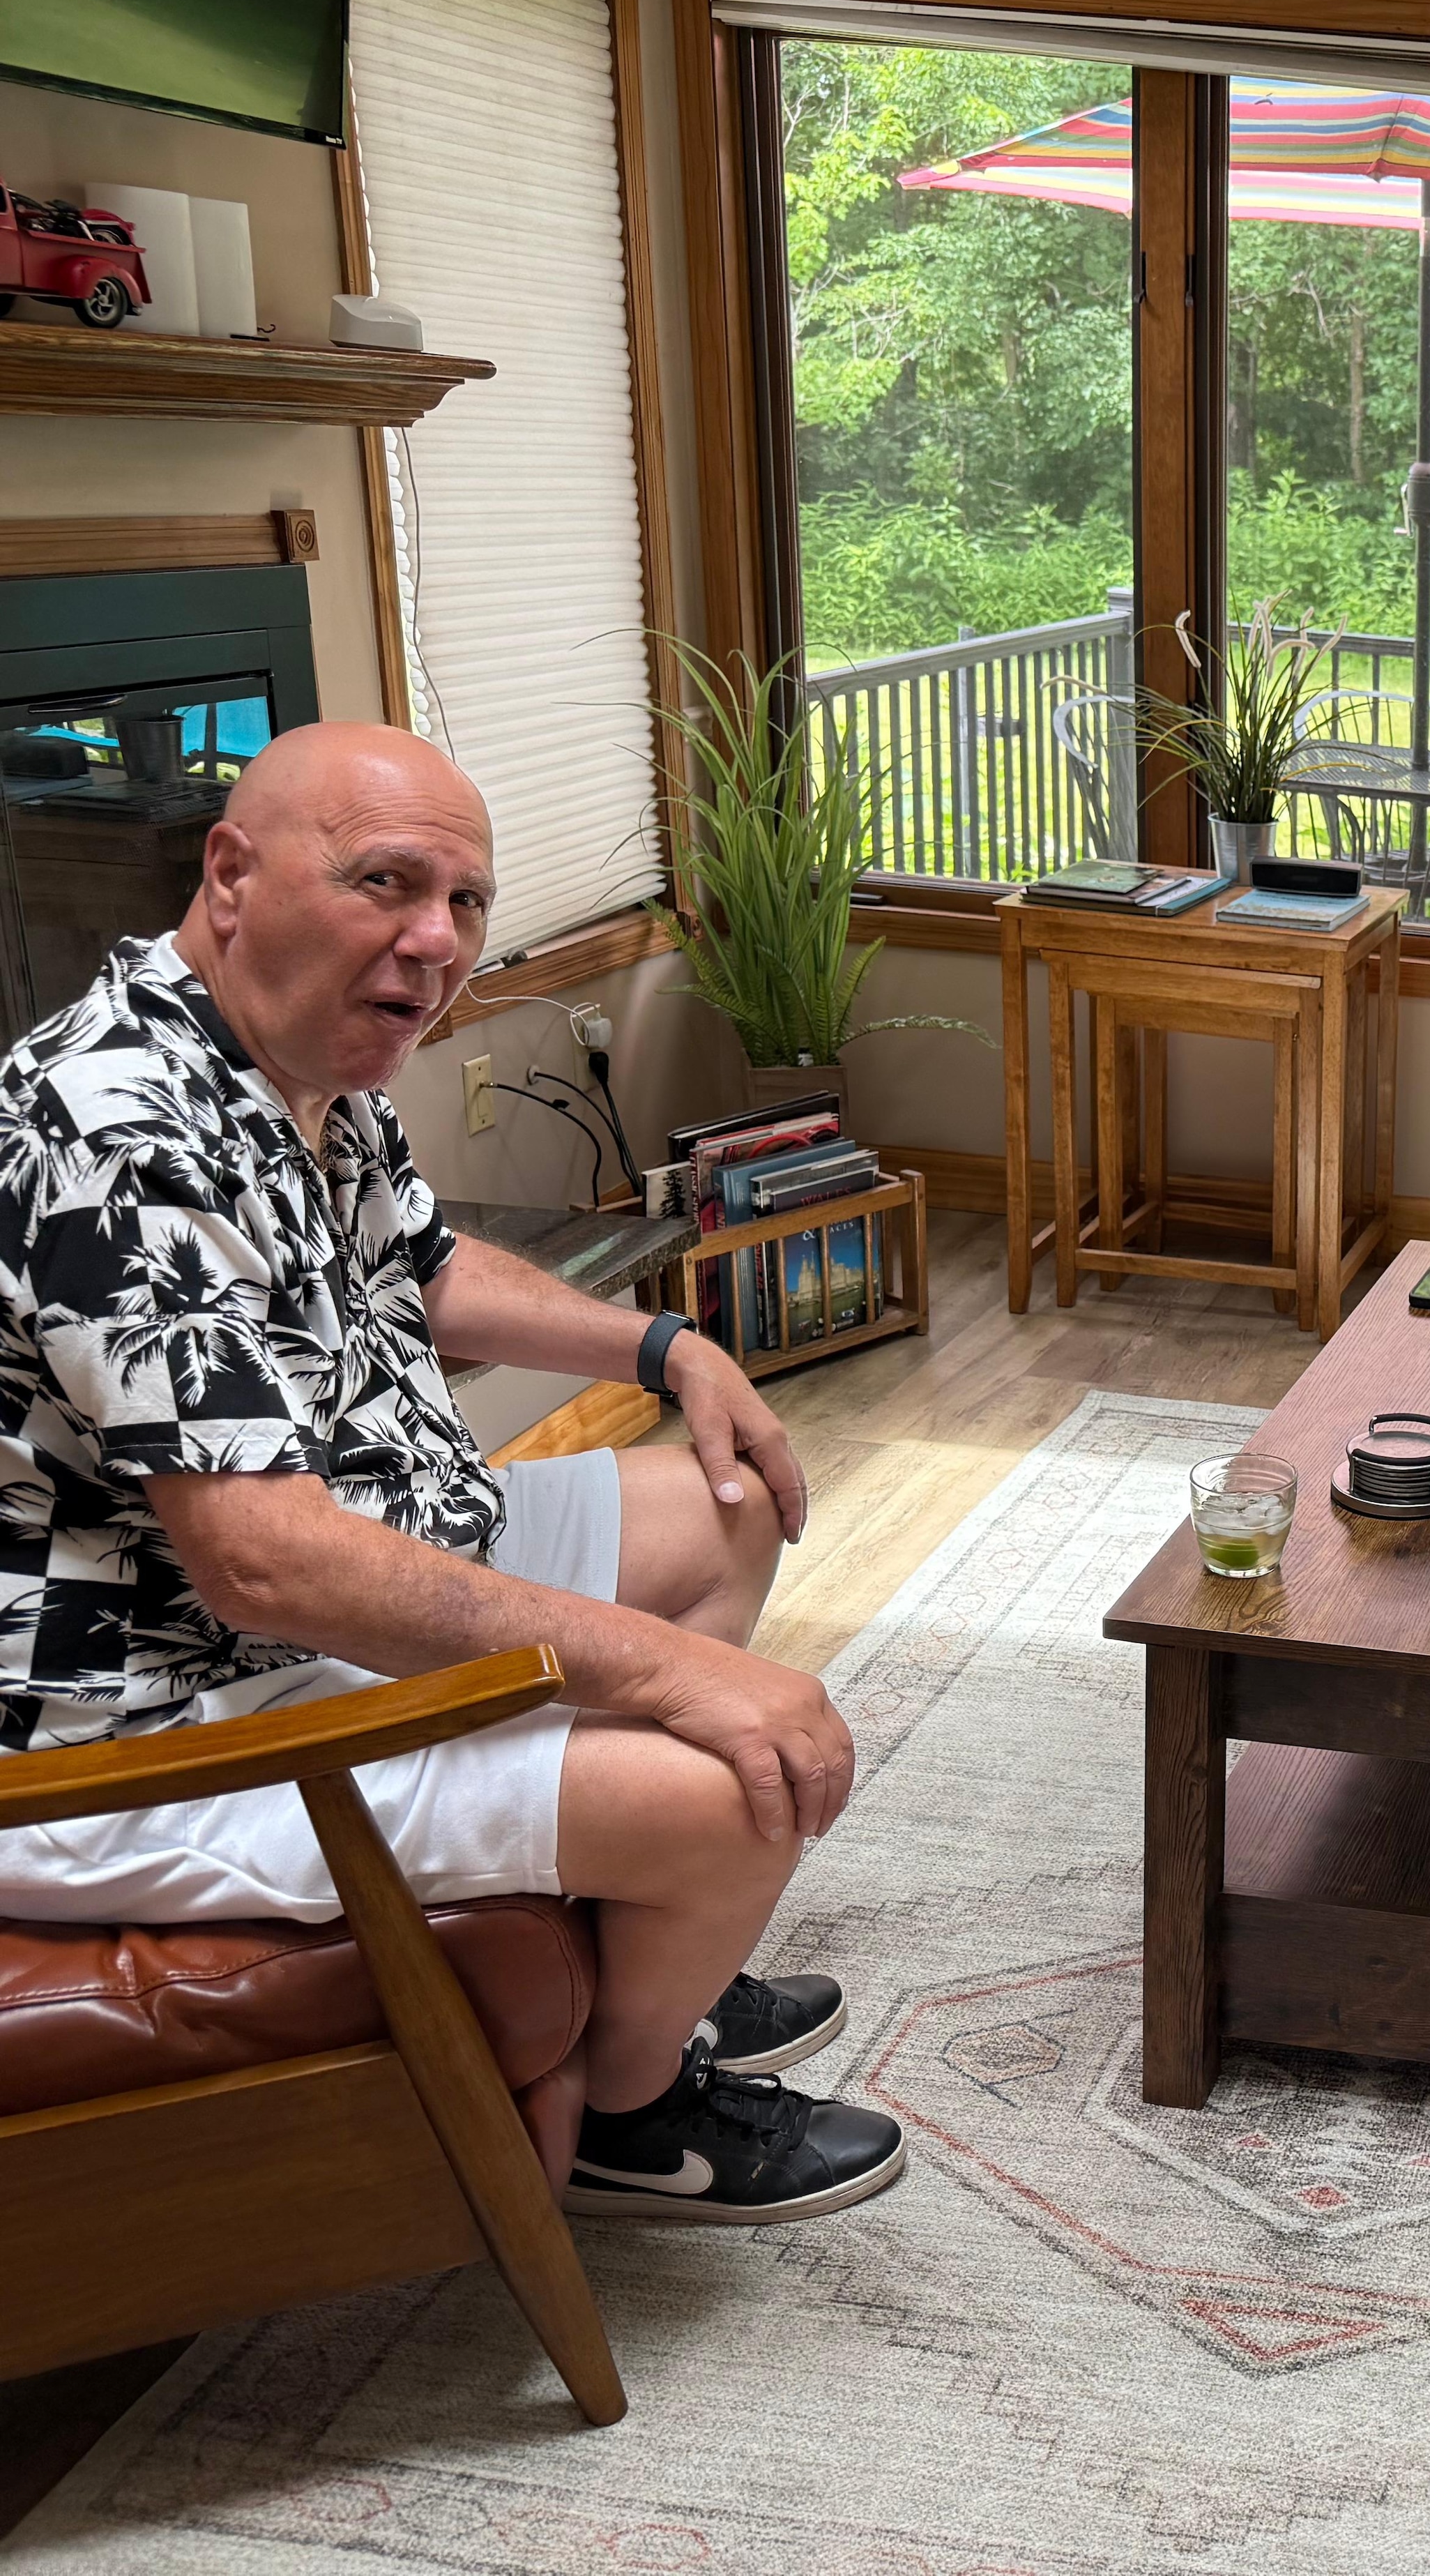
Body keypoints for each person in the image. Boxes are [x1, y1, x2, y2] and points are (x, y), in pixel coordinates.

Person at [0, 721, 902, 2225]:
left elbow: (420, 1266)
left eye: (465, 901)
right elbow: (268, 1563)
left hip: (300, 1598)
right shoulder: (113, 1131)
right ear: (230, 874)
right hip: (141, 1722)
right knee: (736, 1784)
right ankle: (632, 2110)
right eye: (386, 883)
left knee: (722, 1510)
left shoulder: (288, 1054)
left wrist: (667, 1349)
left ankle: (639, 1950)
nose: (436, 940)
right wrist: (673, 1678)